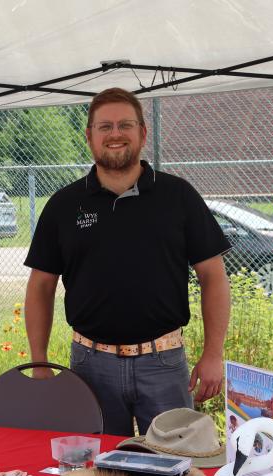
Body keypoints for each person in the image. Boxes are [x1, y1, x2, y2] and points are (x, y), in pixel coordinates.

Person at [24, 87, 232, 437]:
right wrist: (39, 361)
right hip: (90, 366)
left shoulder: (178, 196)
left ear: (142, 133)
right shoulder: (63, 205)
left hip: (164, 364)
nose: (115, 134)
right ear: (89, 136)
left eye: (125, 125)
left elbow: (213, 276)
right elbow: (40, 286)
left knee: (176, 470)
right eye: (104, 126)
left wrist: (213, 353)